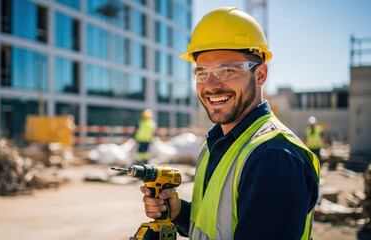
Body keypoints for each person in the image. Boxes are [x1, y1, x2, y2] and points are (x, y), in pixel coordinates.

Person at [137, 7, 320, 240]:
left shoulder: (274, 157)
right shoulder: (217, 143)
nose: (211, 85)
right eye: (202, 73)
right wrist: (180, 213)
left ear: (260, 75)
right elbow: (218, 226)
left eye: (227, 70)